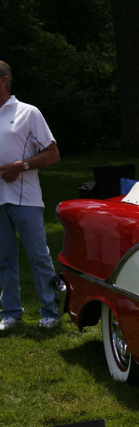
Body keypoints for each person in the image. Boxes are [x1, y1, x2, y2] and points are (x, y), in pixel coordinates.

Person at [0, 60, 62, 331]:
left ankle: (51, 311)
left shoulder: (28, 112)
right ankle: (11, 313)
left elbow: (53, 153)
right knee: (4, 259)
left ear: (3, 80)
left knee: (38, 256)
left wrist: (21, 166)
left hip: (25, 198)